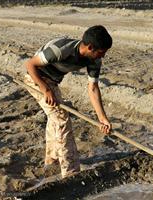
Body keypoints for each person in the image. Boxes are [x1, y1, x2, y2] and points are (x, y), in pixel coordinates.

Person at [23, 25, 112, 178]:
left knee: (55, 118)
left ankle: (51, 161)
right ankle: (71, 173)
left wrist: (102, 118)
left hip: (52, 81)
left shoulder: (94, 60)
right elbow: (30, 65)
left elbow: (93, 88)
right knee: (61, 120)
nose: (102, 56)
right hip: (35, 79)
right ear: (90, 47)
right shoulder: (61, 50)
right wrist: (45, 89)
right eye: (101, 52)